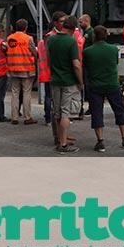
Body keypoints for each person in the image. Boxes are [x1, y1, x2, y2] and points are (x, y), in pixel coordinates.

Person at [81, 25, 124, 152]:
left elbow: (85, 67)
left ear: (94, 36)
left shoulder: (87, 52)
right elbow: (115, 64)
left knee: (97, 113)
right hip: (112, 84)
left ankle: (100, 141)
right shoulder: (113, 49)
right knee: (120, 111)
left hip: (95, 86)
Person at [46, 16, 83, 154]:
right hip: (68, 81)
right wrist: (81, 82)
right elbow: (76, 64)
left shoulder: (51, 39)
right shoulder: (71, 42)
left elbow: (49, 59)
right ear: (73, 29)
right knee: (65, 113)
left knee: (57, 113)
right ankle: (63, 144)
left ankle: (58, 139)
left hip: (55, 80)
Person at [6, 19, 38, 125]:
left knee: (15, 93)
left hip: (13, 69)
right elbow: (34, 52)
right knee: (26, 93)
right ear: (26, 27)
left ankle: (14, 117)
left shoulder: (10, 38)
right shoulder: (28, 38)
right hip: (26, 69)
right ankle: (27, 117)